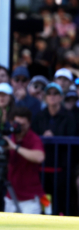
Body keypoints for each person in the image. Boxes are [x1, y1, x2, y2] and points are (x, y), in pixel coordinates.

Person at [31, 82, 76, 215]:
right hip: (43, 166)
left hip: (62, 168)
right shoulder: (39, 116)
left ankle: (59, 218)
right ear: (45, 97)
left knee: (61, 198)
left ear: (61, 97)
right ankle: (46, 216)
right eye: (49, 93)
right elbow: (33, 135)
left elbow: (72, 136)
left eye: (55, 93)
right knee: (44, 197)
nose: (52, 96)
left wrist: (54, 136)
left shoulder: (69, 117)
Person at [2, 106, 46, 214]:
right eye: (17, 124)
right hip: (11, 196)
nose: (20, 128)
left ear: (29, 123)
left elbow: (40, 157)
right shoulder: (9, 137)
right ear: (11, 122)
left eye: (23, 125)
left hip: (30, 199)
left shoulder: (33, 138)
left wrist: (15, 147)